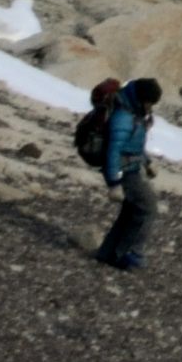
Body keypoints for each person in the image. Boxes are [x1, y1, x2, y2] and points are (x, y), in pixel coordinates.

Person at [73, 72, 164, 271]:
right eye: (150, 102)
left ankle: (108, 253)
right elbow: (113, 151)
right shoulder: (123, 117)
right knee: (147, 208)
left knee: (131, 211)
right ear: (142, 98)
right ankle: (131, 254)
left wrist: (147, 162)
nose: (151, 107)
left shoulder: (133, 111)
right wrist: (114, 183)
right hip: (124, 172)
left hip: (130, 166)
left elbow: (134, 145)